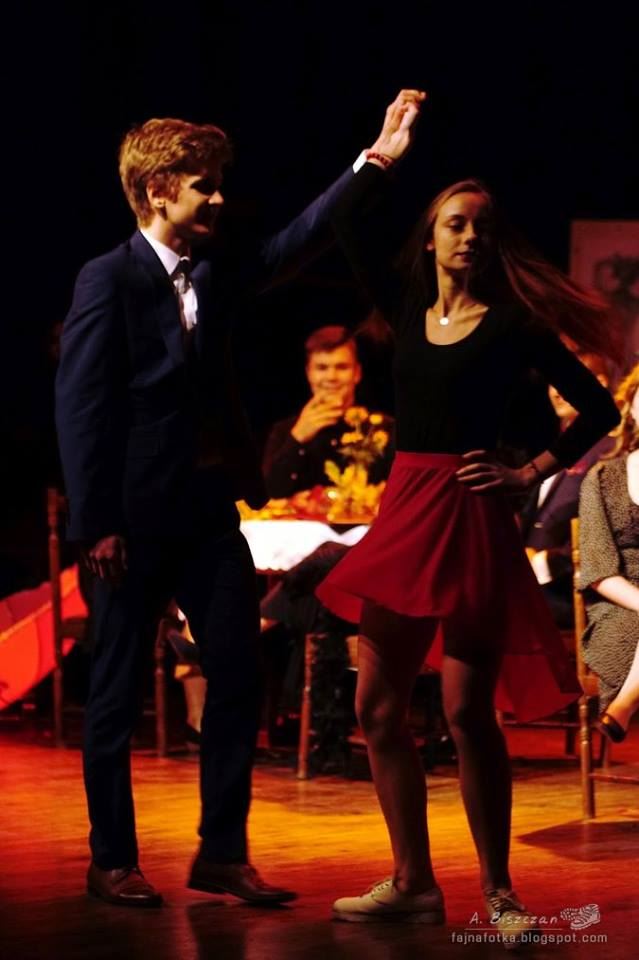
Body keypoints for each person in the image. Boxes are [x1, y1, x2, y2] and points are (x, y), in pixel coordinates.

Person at [55, 93, 423, 908]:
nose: (220, 198)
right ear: (157, 191)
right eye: (204, 185)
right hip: (130, 524)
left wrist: (375, 161)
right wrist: (97, 523)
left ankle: (220, 852)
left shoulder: (216, 271)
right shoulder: (108, 279)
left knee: (236, 667)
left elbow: (299, 238)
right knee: (114, 693)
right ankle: (111, 859)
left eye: (219, 182)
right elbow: (80, 406)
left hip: (206, 515)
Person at [314, 120, 621, 940]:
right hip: (406, 509)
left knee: (465, 711)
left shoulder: (512, 323)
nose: (470, 237)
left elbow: (597, 408)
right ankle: (412, 882)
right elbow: (344, 218)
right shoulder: (404, 307)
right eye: (455, 223)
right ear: (430, 238)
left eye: (482, 226)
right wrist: (384, 152)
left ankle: (499, 895)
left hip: (470, 513)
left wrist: (528, 472)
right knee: (378, 707)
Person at [520, 353, 612, 628]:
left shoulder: (609, 451)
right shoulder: (557, 448)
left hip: (569, 593)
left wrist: (544, 561)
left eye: (567, 382)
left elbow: (606, 529)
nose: (557, 392)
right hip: (534, 585)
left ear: (600, 383)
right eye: (554, 383)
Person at [578, 363, 639, 743]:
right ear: (631, 407)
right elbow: (598, 570)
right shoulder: (602, 478)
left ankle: (623, 706)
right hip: (620, 604)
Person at [262, 324, 394, 498]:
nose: (331, 377)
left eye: (341, 367)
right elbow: (267, 495)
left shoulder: (383, 428)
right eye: (322, 368)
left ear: (357, 373)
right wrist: (298, 438)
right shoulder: (284, 431)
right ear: (309, 373)